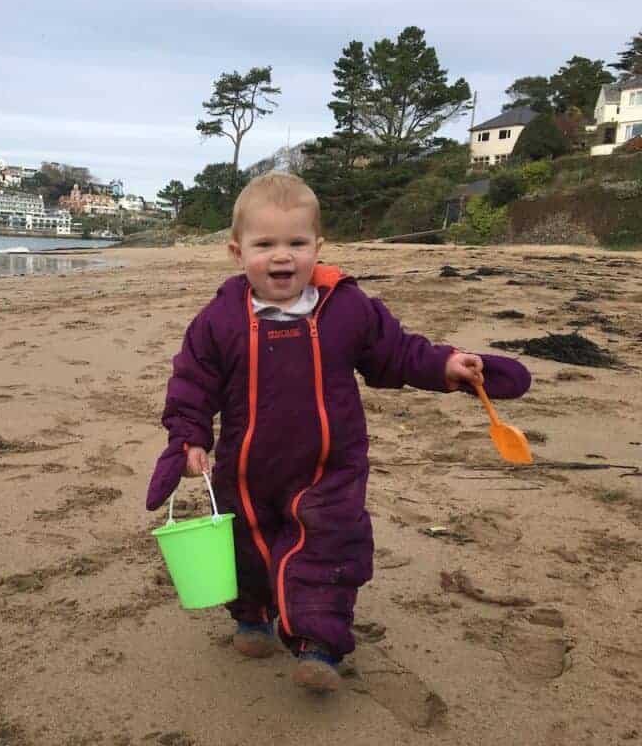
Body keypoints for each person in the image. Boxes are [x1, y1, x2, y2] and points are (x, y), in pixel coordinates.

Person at [146, 172, 531, 693]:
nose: (282, 257)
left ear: (318, 247)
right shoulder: (220, 319)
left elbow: (396, 353)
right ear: (237, 253)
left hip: (331, 466)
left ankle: (318, 643)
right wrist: (189, 436)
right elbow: (193, 381)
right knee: (249, 541)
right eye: (265, 245)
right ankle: (252, 614)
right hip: (247, 465)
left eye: (296, 243)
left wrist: (445, 366)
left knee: (328, 548)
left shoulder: (345, 308)